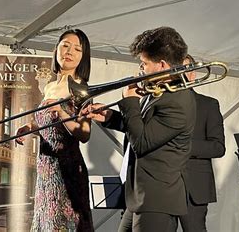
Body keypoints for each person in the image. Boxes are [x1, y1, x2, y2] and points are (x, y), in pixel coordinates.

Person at [87, 26, 196, 231]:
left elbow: (142, 143)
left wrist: (130, 103)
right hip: (141, 195)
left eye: (144, 63)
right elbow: (145, 129)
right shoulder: (161, 91)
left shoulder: (178, 101)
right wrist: (110, 117)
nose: (141, 69)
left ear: (162, 65)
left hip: (157, 200)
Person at [16, 29, 93, 231]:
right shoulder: (49, 86)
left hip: (67, 168)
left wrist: (61, 112)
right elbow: (46, 125)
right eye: (65, 45)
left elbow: (84, 133)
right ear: (56, 49)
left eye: (77, 49)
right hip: (45, 167)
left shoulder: (81, 88)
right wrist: (29, 128)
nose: (69, 51)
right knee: (46, 221)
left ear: (83, 57)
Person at [176, 55, 226, 232]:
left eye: (185, 70)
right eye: (176, 70)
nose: (180, 75)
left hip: (194, 188)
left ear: (193, 74)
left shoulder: (208, 105)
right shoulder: (157, 104)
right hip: (161, 185)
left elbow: (218, 147)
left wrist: (182, 145)